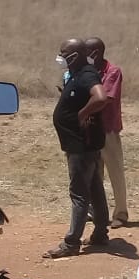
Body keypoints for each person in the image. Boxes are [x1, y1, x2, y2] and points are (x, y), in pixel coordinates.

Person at [44, 39, 111, 258]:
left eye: (63, 53)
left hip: (80, 146)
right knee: (94, 189)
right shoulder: (78, 73)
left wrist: (82, 113)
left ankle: (72, 242)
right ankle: (101, 233)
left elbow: (101, 97)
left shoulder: (86, 74)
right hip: (84, 145)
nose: (60, 57)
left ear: (75, 56)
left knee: (79, 194)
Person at [87, 38, 128, 228]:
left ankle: (120, 213)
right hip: (91, 129)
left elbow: (105, 98)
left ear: (95, 52)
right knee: (94, 173)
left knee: (115, 172)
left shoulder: (112, 72)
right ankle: (94, 211)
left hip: (108, 129)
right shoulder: (88, 72)